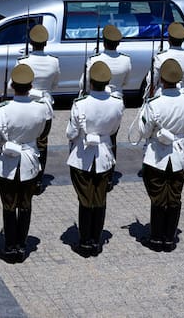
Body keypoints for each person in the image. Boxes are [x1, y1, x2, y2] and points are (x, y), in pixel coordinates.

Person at [0, 64, 52, 263]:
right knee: (25, 204)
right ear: (30, 86)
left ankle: (9, 245)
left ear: (12, 85)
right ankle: (21, 245)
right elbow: (42, 133)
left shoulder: (3, 110)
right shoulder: (41, 108)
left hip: (7, 161)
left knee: (8, 205)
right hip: (30, 161)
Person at [133, 60, 184, 252]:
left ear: (161, 79)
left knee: (158, 197)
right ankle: (169, 238)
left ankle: (156, 237)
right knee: (174, 196)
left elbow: (143, 131)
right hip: (178, 154)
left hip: (156, 156)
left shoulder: (154, 103)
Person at [66, 61, 124, 257]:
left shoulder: (80, 104)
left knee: (85, 200)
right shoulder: (117, 102)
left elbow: (71, 133)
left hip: (82, 155)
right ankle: (95, 240)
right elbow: (115, 130)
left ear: (90, 82)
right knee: (100, 199)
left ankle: (84, 241)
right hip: (105, 155)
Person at [79, 24, 131, 189]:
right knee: (111, 138)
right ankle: (108, 175)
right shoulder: (125, 60)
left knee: (91, 134)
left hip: (96, 100)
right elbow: (125, 81)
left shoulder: (95, 60)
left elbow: (85, 84)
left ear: (104, 42)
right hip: (116, 102)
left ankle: (90, 168)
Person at [17, 24, 60, 195]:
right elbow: (55, 84)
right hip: (44, 106)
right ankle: (37, 180)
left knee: (24, 140)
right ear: (45, 43)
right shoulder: (53, 61)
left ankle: (24, 175)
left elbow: (13, 85)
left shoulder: (23, 61)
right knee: (42, 143)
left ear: (31, 42)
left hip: (26, 106)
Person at [146, 22, 184, 96]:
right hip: (183, 94)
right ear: (183, 40)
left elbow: (151, 81)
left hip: (163, 94)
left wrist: (147, 97)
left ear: (169, 39)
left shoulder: (160, 57)